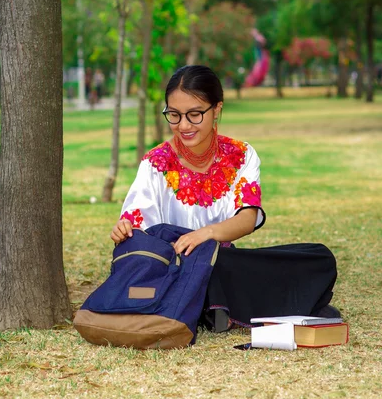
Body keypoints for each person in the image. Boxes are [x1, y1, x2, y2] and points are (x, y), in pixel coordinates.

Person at [111, 65, 339, 329]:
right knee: (216, 270)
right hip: (176, 268)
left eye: (194, 114)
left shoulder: (242, 155)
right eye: (174, 115)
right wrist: (124, 229)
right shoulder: (155, 163)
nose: (183, 125)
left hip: (224, 261)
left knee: (317, 257)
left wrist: (205, 235)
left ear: (216, 109)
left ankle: (215, 306)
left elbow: (247, 218)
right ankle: (230, 305)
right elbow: (136, 228)